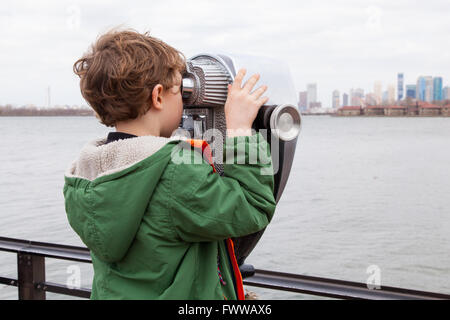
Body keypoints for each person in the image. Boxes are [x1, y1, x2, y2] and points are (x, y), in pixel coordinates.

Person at [63, 28, 276, 300]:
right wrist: (238, 131)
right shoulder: (174, 172)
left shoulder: (90, 174)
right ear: (158, 96)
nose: (185, 103)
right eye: (180, 92)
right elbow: (252, 208)